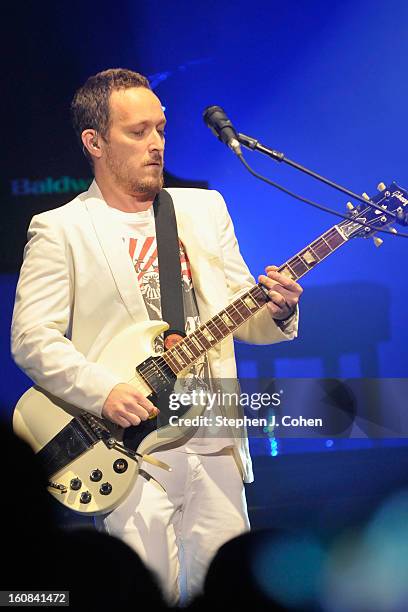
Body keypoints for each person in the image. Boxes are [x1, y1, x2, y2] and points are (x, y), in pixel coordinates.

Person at [11, 68, 302, 605]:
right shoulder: (61, 228)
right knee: (146, 595)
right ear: (94, 142)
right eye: (137, 132)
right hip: (132, 450)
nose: (156, 144)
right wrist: (104, 391)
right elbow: (33, 338)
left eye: (161, 130)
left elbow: (243, 315)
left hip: (216, 439)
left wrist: (278, 310)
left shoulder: (203, 209)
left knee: (228, 595)